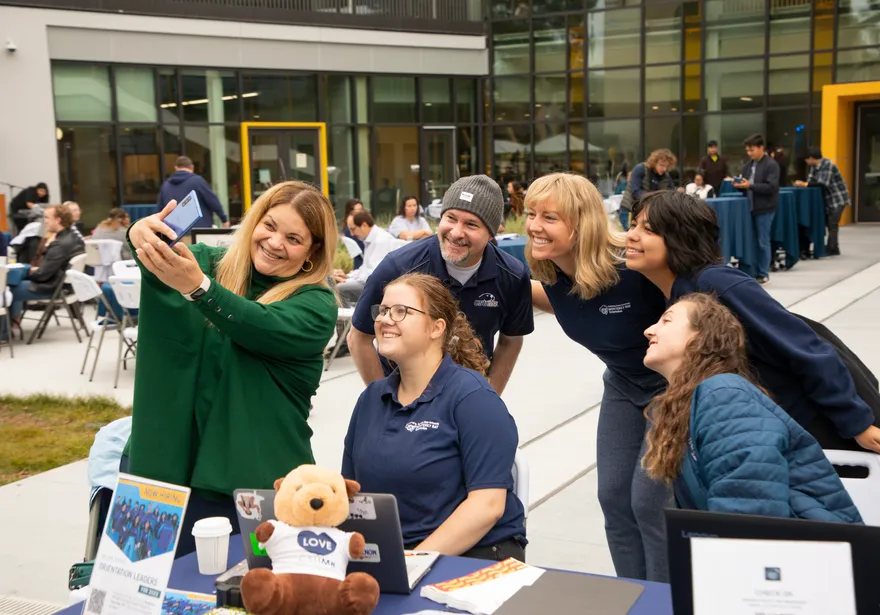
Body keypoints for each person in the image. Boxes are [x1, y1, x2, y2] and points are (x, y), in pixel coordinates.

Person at [125, 180, 338, 557]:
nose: (275, 242)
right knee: (147, 577)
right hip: (167, 466)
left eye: (293, 238)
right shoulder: (211, 264)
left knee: (249, 586)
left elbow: (255, 323)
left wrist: (198, 289)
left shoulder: (316, 305)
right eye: (269, 226)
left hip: (252, 485)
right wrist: (139, 233)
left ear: (312, 251)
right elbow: (157, 255)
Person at [625, 190, 880, 455]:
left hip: (810, 430)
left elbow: (806, 348)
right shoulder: (669, 293)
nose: (631, 235)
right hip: (762, 434)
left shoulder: (715, 283)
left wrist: (857, 424)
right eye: (633, 225)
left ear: (681, 238)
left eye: (648, 229)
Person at [526, 173, 669, 582]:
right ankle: (635, 594)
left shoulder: (634, 265)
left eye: (549, 217)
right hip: (623, 384)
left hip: (673, 387)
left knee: (650, 502)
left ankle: (664, 600)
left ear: (580, 224)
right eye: (531, 214)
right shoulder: (553, 276)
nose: (534, 226)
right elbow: (565, 302)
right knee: (613, 498)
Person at [343, 273, 526, 560]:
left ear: (436, 328)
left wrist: (413, 564)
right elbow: (350, 494)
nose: (385, 319)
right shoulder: (371, 398)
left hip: (471, 555)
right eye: (383, 310)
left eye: (401, 311)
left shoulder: (473, 398)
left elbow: (487, 506)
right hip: (392, 555)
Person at [641, 293, 862, 523]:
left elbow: (749, 510)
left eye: (666, 320)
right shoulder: (696, 402)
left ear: (699, 337)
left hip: (804, 543)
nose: (649, 330)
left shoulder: (724, 395)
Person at [347, 175, 533, 396]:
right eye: (451, 218)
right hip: (404, 398)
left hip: (469, 397)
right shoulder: (399, 267)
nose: (456, 232)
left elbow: (511, 340)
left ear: (492, 233)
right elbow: (358, 338)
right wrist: (383, 400)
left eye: (471, 224)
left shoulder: (512, 276)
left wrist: (491, 396)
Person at [7, 204, 85, 334]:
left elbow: (41, 275)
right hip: (62, 285)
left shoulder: (60, 244)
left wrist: (29, 271)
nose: (45, 221)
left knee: (7, 288)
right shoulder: (72, 238)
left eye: (47, 218)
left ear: (58, 220)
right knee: (14, 279)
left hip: (51, 287)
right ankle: (9, 327)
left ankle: (5, 332)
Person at [733, 134, 779, 285]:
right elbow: (746, 187)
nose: (749, 153)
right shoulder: (748, 166)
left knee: (762, 241)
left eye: (752, 150)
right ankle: (750, 270)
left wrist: (750, 186)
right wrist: (739, 185)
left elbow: (771, 187)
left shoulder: (771, 165)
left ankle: (763, 272)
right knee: (750, 241)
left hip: (765, 208)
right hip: (749, 207)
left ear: (761, 148)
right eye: (747, 150)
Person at [332, 211, 400, 307]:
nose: (351, 234)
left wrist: (347, 280)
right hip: (373, 283)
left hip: (378, 286)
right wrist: (348, 276)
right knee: (339, 286)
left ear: (364, 225)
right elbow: (365, 269)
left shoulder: (380, 240)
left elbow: (371, 274)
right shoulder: (373, 239)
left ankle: (352, 315)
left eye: (353, 229)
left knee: (339, 289)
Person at [794, 147, 850, 256]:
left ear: (811, 158)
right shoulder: (814, 167)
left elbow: (823, 184)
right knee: (827, 223)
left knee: (832, 224)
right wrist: (805, 184)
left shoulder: (828, 165)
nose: (806, 162)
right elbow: (810, 181)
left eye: (806, 160)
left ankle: (832, 248)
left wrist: (804, 184)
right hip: (827, 200)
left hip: (837, 199)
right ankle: (833, 247)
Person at [157, 156, 229, 229]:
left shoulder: (166, 185)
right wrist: (224, 219)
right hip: (198, 230)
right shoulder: (198, 181)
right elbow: (212, 201)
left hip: (175, 231)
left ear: (176, 168)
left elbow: (160, 210)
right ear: (192, 167)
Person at [619, 149, 677, 230]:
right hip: (629, 209)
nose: (664, 169)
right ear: (654, 162)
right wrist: (656, 197)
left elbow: (673, 193)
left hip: (645, 211)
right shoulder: (640, 169)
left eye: (667, 166)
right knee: (629, 233)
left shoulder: (665, 176)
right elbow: (635, 192)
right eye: (662, 165)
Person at [340, 198, 365, 269]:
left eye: (362, 210)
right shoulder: (350, 229)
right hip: (361, 263)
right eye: (358, 210)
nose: (361, 212)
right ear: (350, 212)